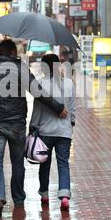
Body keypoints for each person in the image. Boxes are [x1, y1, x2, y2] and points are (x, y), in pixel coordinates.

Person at [0, 40, 68, 218]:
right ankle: (19, 198)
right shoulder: (19, 68)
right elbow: (37, 91)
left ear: (0, 52)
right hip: (16, 123)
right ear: (13, 52)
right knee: (16, 162)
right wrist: (58, 107)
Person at [30, 54, 76, 211]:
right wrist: (71, 123)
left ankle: (44, 194)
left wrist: (33, 126)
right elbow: (72, 107)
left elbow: (37, 111)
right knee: (63, 163)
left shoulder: (40, 85)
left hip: (45, 131)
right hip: (64, 132)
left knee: (45, 164)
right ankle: (64, 196)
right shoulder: (69, 84)